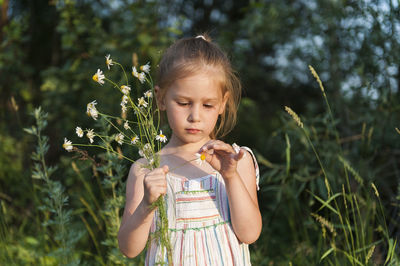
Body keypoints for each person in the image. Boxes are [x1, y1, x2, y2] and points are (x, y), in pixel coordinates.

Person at [118, 34, 262, 265]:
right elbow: (129, 249)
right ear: (161, 98)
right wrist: (146, 205)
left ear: (223, 104)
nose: (195, 116)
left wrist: (231, 176)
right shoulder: (146, 169)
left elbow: (250, 234)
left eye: (207, 105)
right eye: (184, 103)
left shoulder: (236, 161)